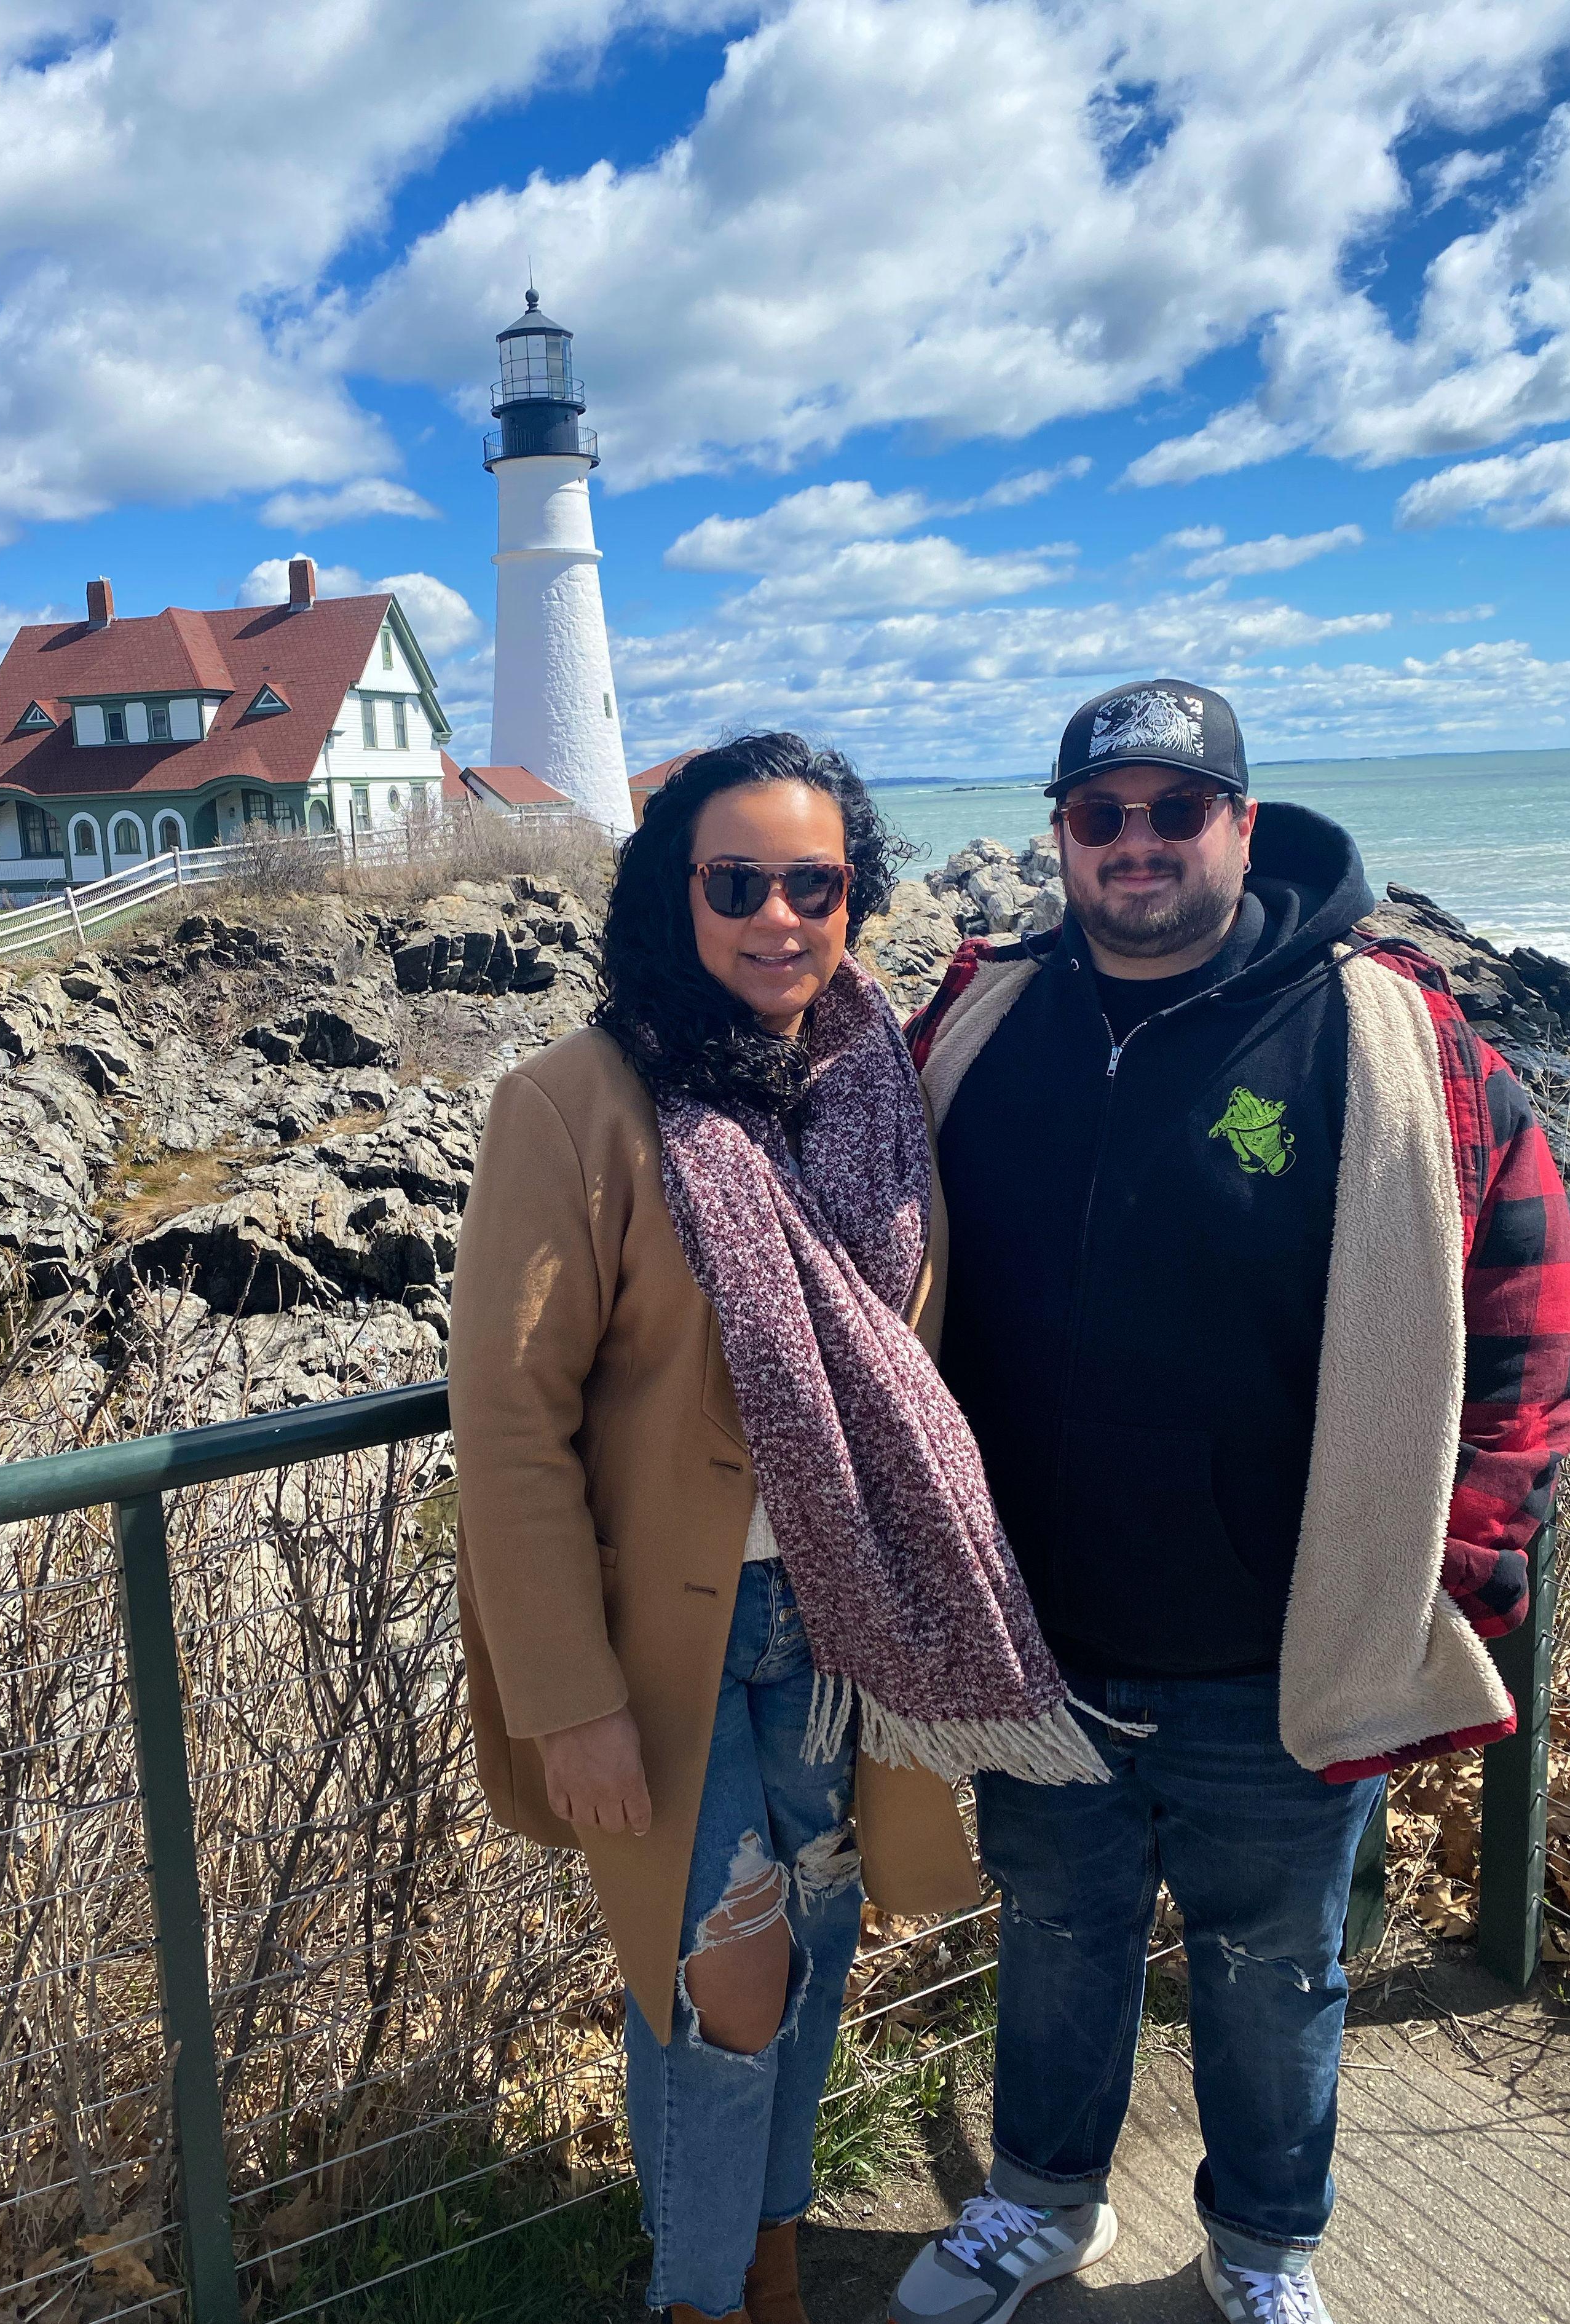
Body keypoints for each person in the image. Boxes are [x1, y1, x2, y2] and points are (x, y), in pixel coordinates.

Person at [884, 681, 1570, 2324]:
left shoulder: (1392, 1039)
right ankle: (1041, 2202)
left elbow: (1526, 1329)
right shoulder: (976, 1024)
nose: (1134, 842)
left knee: (1278, 1974)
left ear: (1241, 829)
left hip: (1282, 1645)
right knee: (1055, 1935)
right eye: (1097, 813)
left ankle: (1265, 2245)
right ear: (1059, 833)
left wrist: (1457, 1576)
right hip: (1031, 1633)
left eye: (1172, 809)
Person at [449, 732, 1111, 2324]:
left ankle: (770, 2269)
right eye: (732, 882)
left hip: (835, 1619)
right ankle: (697, 2297)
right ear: (669, 896)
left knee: (804, 1966)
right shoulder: (575, 1102)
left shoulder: (878, 1085)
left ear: (851, 897)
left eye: (808, 883)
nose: (772, 916)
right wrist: (568, 1696)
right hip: (655, 1642)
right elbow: (509, 1423)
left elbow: (910, 1352)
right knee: (723, 1977)